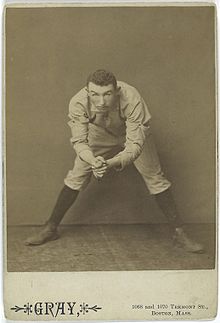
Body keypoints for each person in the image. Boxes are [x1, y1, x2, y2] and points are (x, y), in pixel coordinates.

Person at [25, 69, 204, 253]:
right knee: (76, 176)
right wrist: (93, 161)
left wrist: (109, 163)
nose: (101, 102)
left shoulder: (132, 97)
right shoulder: (78, 102)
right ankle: (50, 228)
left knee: (155, 177)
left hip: (133, 134)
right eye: (95, 94)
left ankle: (179, 233)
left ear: (116, 90)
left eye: (107, 94)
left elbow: (134, 147)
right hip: (99, 135)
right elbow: (79, 142)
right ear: (87, 92)